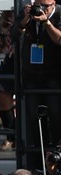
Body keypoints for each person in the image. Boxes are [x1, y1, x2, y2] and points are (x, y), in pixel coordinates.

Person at [18, 0, 61, 165]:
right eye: (38, 4)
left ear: (53, 3)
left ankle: (57, 157)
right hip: (32, 76)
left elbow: (59, 39)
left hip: (53, 76)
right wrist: (24, 21)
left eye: (45, 5)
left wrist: (46, 22)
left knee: (56, 115)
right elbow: (14, 35)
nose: (41, 8)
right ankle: (37, 158)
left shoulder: (59, 14)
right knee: (34, 118)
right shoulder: (28, 13)